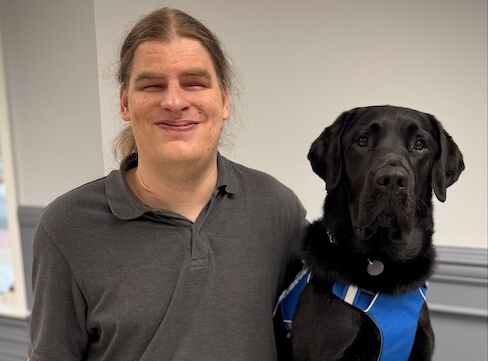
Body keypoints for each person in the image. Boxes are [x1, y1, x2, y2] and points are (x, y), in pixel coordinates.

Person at [28, 7, 307, 361]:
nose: (174, 101)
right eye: (152, 85)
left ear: (223, 101)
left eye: (194, 83)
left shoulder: (277, 209)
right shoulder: (66, 228)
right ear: (125, 103)